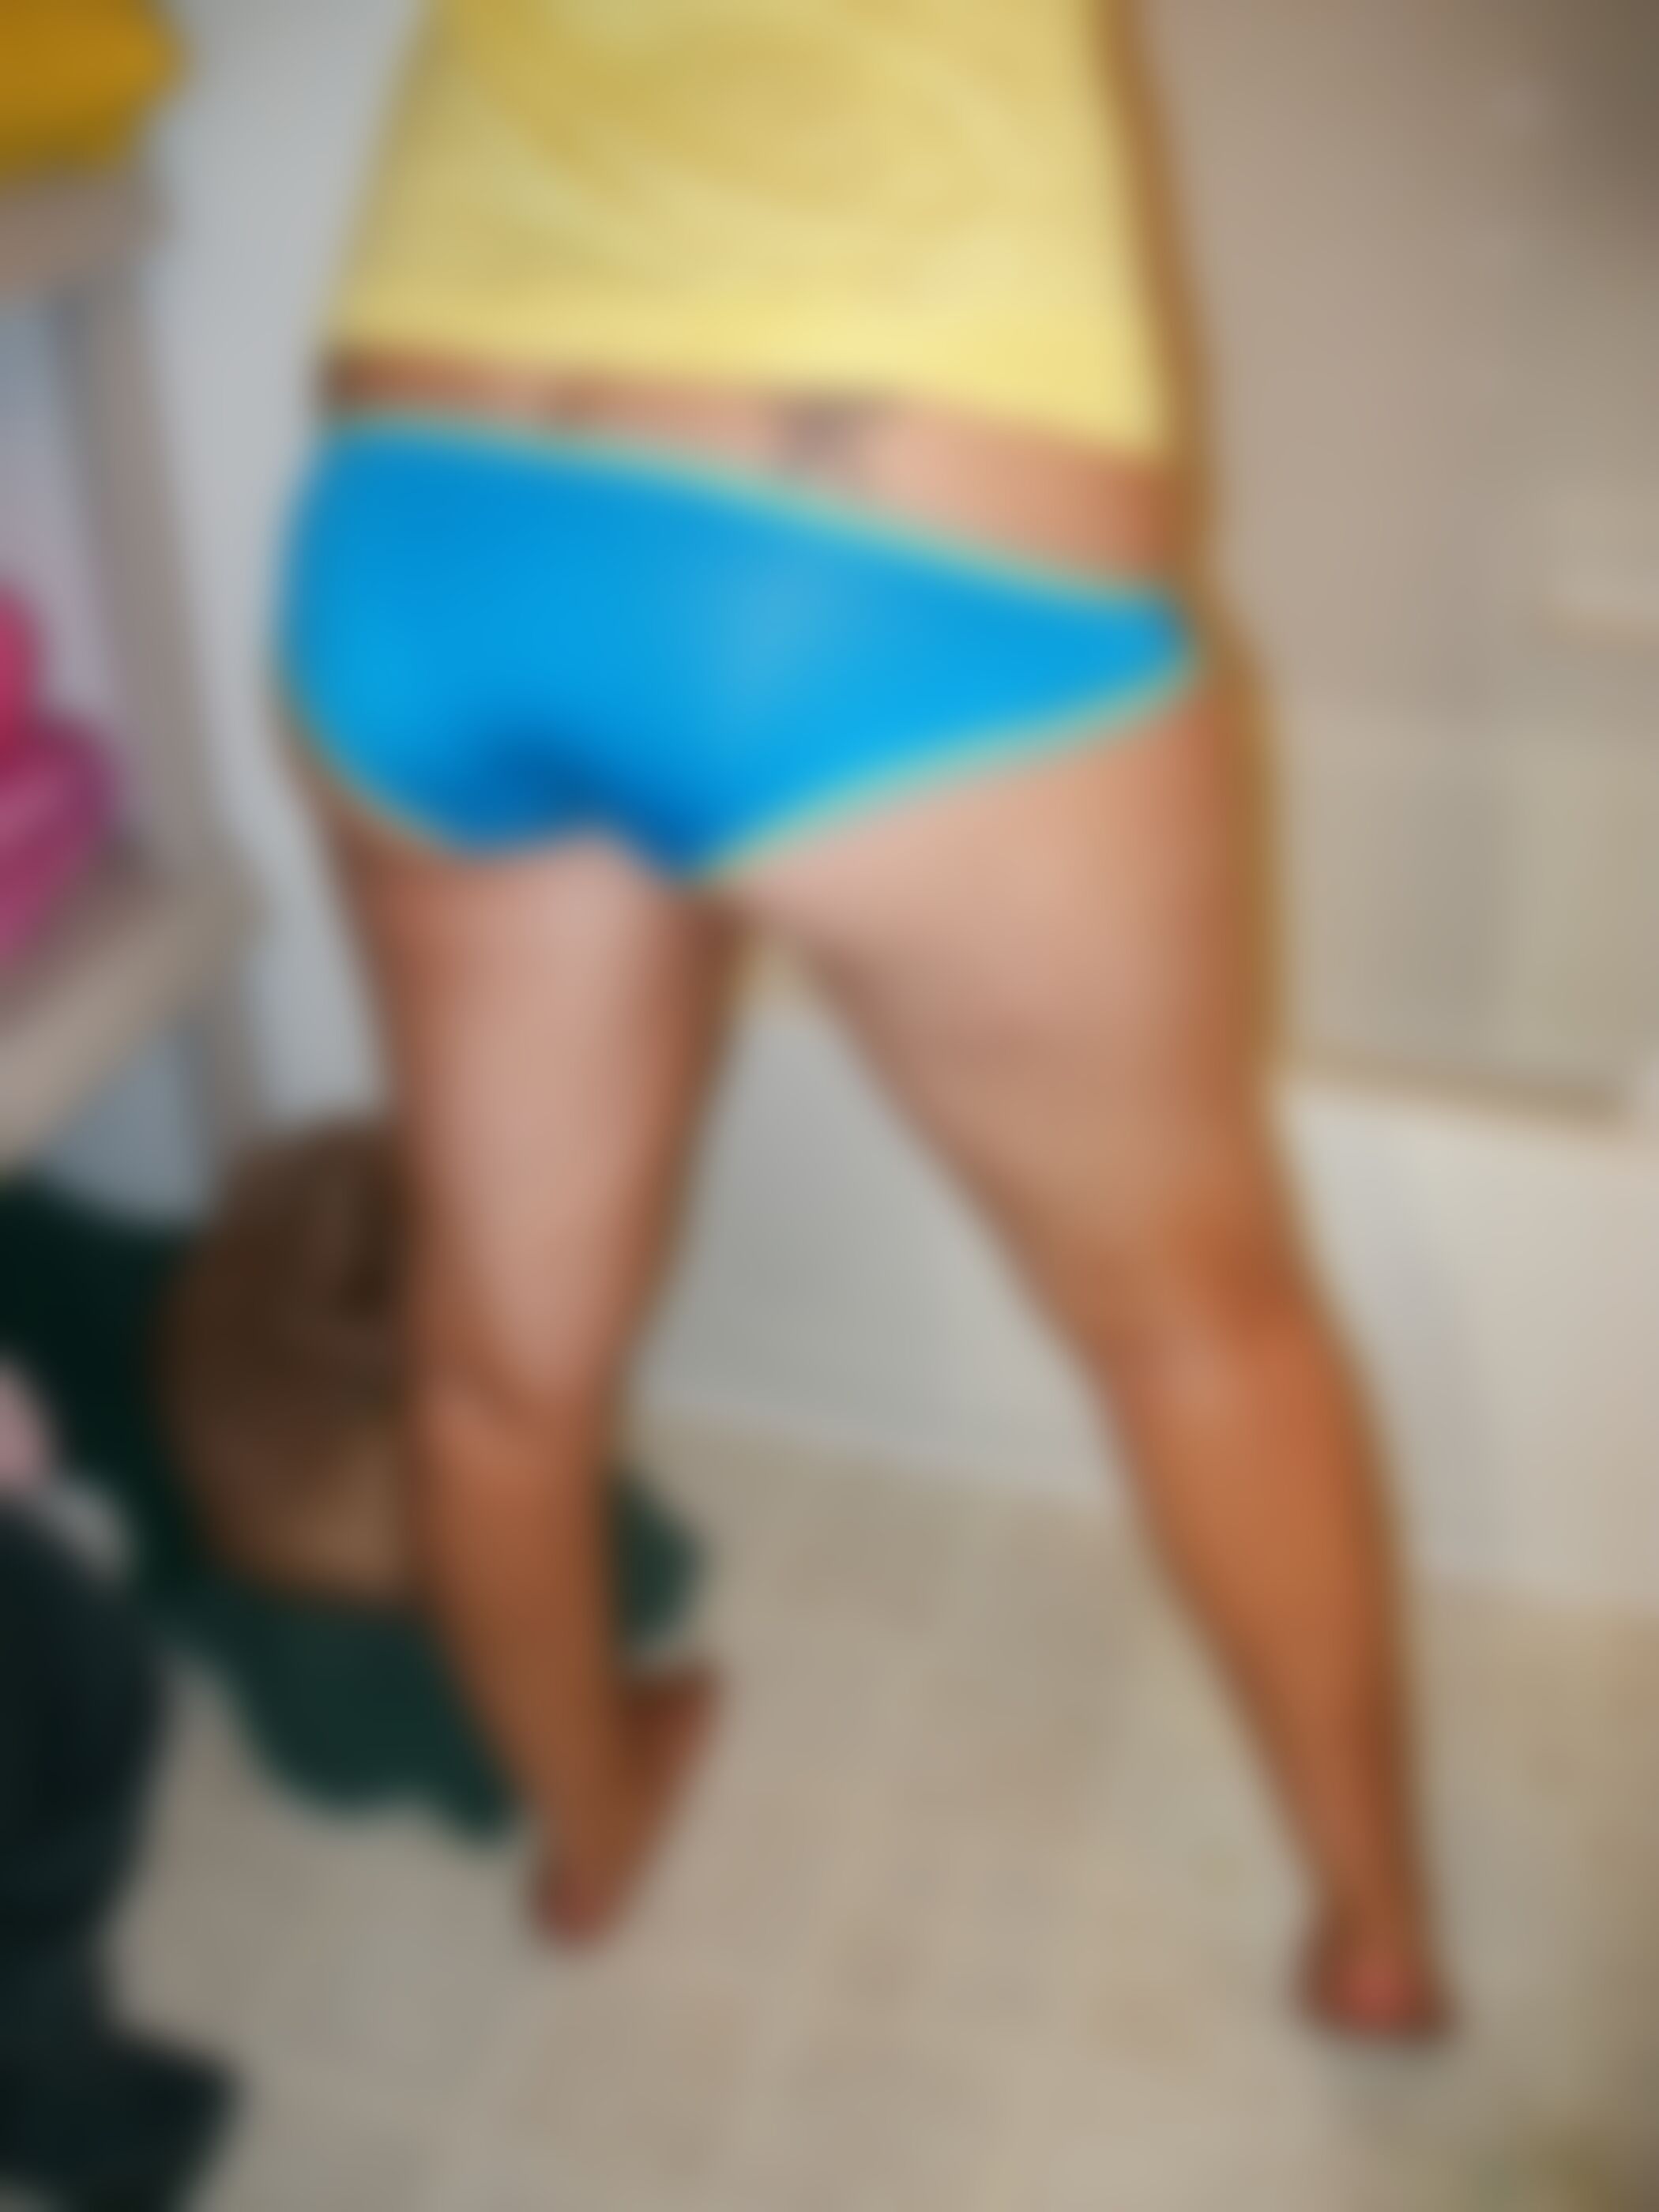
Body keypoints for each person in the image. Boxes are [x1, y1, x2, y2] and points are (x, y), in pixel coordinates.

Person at [276, 0, 1447, 2034]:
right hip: (879, 520)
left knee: (495, 1372)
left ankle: (592, 1832)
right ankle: (1373, 1929)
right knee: (1194, 1325)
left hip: (421, 511)